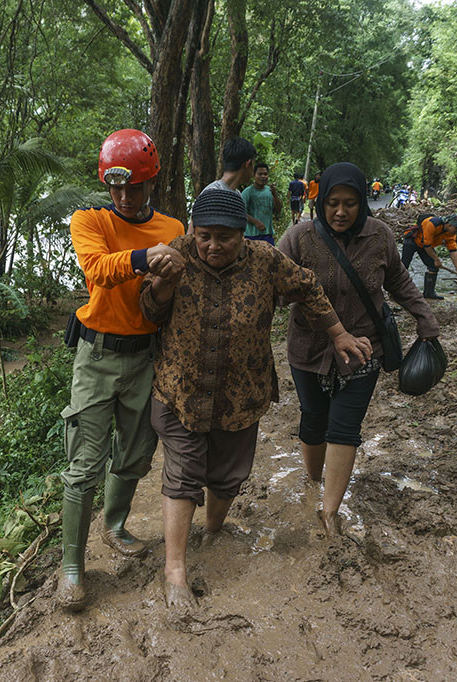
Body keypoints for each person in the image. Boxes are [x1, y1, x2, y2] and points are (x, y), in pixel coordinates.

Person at [140, 188, 370, 607]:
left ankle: (212, 530)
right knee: (183, 471)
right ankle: (175, 571)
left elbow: (308, 286)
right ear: (193, 230)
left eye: (224, 237)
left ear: (242, 232)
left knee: (229, 474)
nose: (212, 245)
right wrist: (161, 287)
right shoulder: (175, 253)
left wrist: (337, 334)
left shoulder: (265, 260)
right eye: (204, 235)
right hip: (181, 391)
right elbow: (151, 314)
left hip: (240, 394)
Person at [57, 129, 185, 612]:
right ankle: (72, 567)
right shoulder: (89, 220)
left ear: (152, 182)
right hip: (96, 357)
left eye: (136, 187)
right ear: (105, 184)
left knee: (135, 452)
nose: (126, 197)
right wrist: (144, 257)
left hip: (147, 356)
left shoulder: (172, 228)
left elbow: (171, 296)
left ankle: (113, 526)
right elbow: (97, 269)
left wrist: (167, 275)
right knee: (84, 463)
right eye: (117, 188)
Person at [277, 162, 439, 536]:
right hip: (309, 349)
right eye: (332, 202)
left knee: (344, 428)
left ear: (362, 202)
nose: (340, 211)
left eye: (350, 203)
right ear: (321, 202)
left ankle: (329, 512)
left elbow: (399, 281)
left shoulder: (379, 236)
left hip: (364, 350)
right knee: (313, 420)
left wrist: (424, 316)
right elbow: (272, 279)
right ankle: (314, 480)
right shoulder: (300, 237)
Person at [188, 137, 257, 234]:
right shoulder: (212, 193)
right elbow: (192, 234)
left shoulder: (237, 195)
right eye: (253, 164)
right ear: (247, 164)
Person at [401, 213, 457, 300]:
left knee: (433, 267)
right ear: (449, 224)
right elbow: (426, 244)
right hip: (413, 240)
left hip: (426, 245)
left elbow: (452, 250)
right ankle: (398, 291)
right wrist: (436, 259)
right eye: (456, 228)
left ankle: (429, 293)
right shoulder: (432, 224)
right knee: (404, 266)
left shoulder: (451, 233)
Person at [241, 162, 282, 245]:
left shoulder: (270, 191)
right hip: (251, 235)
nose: (263, 176)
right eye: (260, 174)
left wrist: (274, 195)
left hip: (267, 234)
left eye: (265, 174)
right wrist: (255, 222)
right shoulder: (247, 192)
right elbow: (241, 212)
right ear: (254, 175)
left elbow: (278, 210)